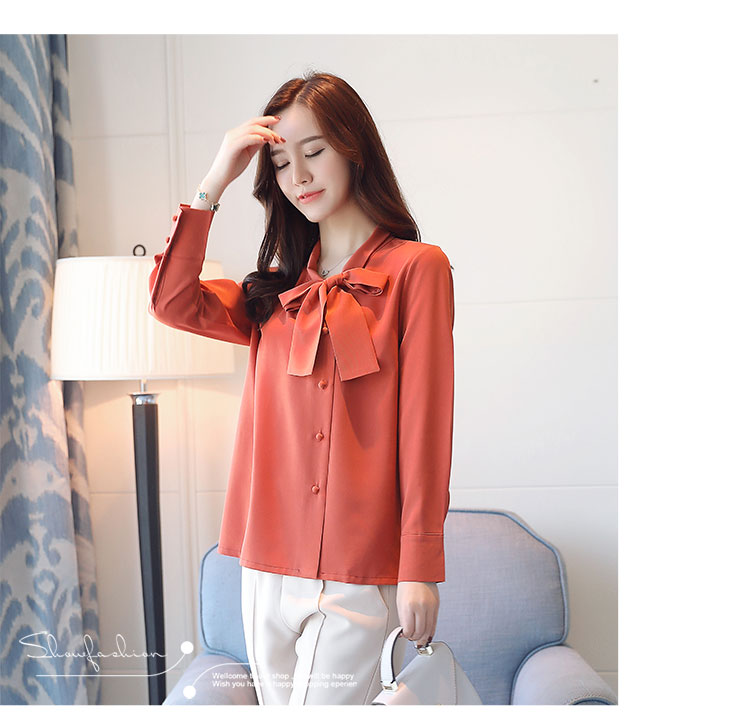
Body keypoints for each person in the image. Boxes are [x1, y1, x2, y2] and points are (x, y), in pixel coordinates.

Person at [148, 71, 455, 705]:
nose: (299, 176)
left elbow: (426, 426)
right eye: (282, 163)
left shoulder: (417, 270)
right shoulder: (273, 290)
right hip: (264, 565)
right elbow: (171, 302)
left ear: (354, 148)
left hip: (360, 568)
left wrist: (420, 565)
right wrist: (216, 179)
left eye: (314, 151)